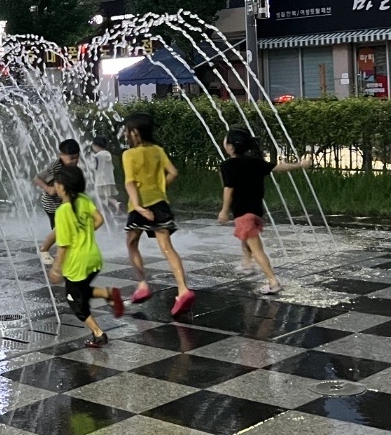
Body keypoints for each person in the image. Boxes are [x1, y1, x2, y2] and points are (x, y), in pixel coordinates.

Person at [218, 128, 314, 296]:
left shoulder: (227, 166)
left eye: (226, 141)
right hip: (255, 212)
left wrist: (224, 211)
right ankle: (247, 263)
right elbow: (280, 167)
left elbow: (228, 190)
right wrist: (300, 165)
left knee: (257, 249)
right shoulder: (255, 162)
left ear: (231, 147)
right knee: (247, 238)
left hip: (243, 213)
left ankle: (273, 282)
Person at [121, 112, 195, 317]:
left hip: (140, 205)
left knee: (131, 243)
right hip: (160, 204)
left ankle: (142, 284)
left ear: (135, 133)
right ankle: (183, 290)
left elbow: (129, 182)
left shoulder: (129, 154)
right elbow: (173, 172)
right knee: (167, 248)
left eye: (127, 131)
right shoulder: (158, 150)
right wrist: (160, 189)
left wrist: (138, 206)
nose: (125, 134)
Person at [47, 165, 123, 348]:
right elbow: (99, 219)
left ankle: (98, 333)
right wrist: (85, 233)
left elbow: (63, 246)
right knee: (80, 291)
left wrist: (56, 269)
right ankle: (107, 293)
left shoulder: (63, 212)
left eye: (56, 183)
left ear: (63, 186)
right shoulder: (83, 199)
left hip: (76, 264)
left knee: (75, 302)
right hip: (94, 258)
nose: (55, 187)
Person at [34, 139, 80, 264]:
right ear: (61, 156)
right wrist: (48, 188)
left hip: (65, 202)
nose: (74, 161)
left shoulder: (72, 167)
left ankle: (67, 253)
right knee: (60, 229)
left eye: (77, 158)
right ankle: (44, 250)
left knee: (66, 228)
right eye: (71, 158)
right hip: (52, 203)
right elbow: (37, 179)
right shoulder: (55, 165)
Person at [85, 136, 120, 214]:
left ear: (96, 146)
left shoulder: (97, 156)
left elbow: (93, 167)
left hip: (101, 180)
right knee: (107, 196)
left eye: (93, 146)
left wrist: (87, 162)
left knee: (98, 196)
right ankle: (114, 204)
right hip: (109, 179)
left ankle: (102, 211)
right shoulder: (108, 154)